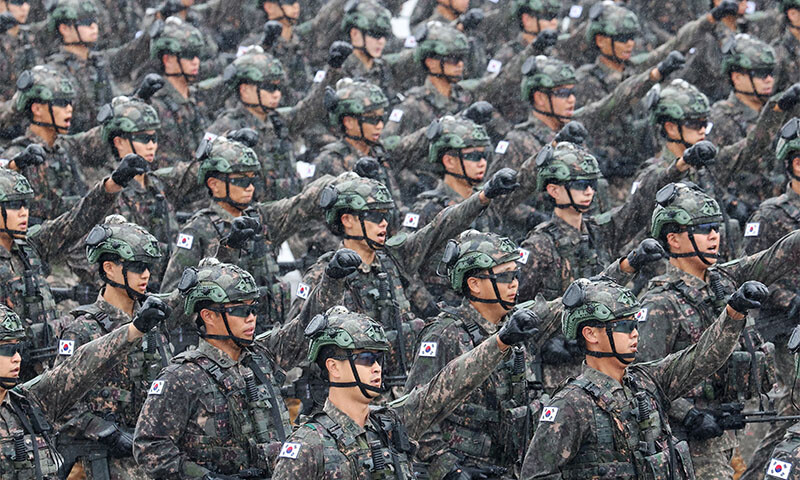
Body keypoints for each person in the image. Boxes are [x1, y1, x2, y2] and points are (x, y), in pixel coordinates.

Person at [520, 276, 770, 479]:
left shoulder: (646, 381)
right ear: (591, 334)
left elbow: (702, 357)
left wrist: (734, 312)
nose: (635, 334)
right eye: (625, 327)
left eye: (635, 325)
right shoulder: (570, 405)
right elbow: (536, 474)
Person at [295, 170, 519, 396]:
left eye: (385, 216)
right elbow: (298, 338)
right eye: (374, 216)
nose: (383, 224)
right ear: (347, 220)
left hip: (398, 391)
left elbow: (438, 228)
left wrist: (483, 196)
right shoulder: (324, 276)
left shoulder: (393, 258)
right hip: (349, 396)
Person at [637, 182, 800, 479]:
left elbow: (777, 257)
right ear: (673, 239)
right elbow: (640, 377)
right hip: (684, 443)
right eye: (702, 229)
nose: (714, 236)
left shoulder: (720, 281)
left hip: (721, 437)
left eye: (715, 227)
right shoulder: (661, 302)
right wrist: (689, 414)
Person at [271, 303, 540, 479]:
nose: (376, 368)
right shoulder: (308, 445)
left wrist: (501, 341)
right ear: (334, 367)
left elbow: (449, 384)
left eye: (378, 359)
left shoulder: (390, 425)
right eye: (365, 359)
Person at [133, 258, 322, 478]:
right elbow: (149, 447)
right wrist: (205, 477)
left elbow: (303, 331)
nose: (251, 318)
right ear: (209, 316)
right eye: (242, 311)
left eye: (253, 309)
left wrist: (331, 282)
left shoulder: (260, 357)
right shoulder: (182, 377)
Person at [0, 155, 144, 379]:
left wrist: (113, 184)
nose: (23, 213)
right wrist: (57, 328)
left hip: (43, 369)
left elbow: (74, 222)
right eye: (13, 205)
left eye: (25, 205)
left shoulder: (28, 246)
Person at [0, 296, 167, 479]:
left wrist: (134, 330)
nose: (17, 358)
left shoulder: (26, 404)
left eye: (18, 349)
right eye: (8, 350)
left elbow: (81, 365)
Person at [55, 215, 168, 480]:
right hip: (100, 461)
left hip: (148, 457)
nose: (146, 275)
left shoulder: (151, 320)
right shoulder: (82, 329)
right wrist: (105, 431)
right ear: (109, 268)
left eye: (148, 267)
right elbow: (57, 402)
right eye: (137, 266)